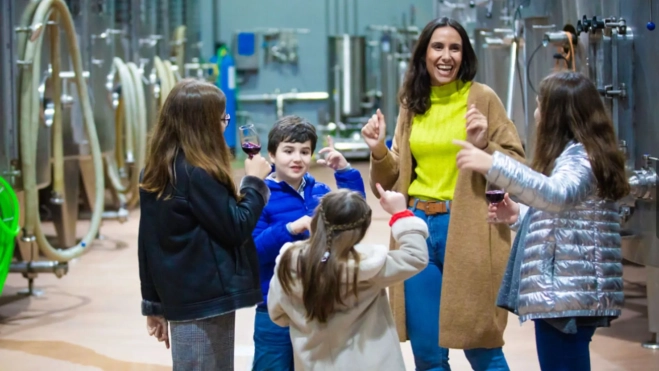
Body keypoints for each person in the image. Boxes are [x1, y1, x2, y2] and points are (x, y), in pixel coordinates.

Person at [362, 17, 525, 370]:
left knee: (480, 345)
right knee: (427, 352)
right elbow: (394, 176)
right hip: (416, 228)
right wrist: (377, 149)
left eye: (455, 48)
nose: (446, 55)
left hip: (468, 229)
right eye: (438, 47)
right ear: (424, 54)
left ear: (464, 55)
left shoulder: (482, 98)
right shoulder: (413, 103)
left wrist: (484, 147)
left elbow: (516, 164)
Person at [454, 71, 629, 371]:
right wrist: (517, 216)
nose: (536, 114)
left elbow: (556, 195)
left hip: (564, 295)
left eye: (540, 106)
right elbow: (562, 220)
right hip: (565, 293)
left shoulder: (580, 158)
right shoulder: (578, 156)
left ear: (556, 116)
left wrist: (494, 164)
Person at [138, 79, 272, 370]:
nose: (225, 125)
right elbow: (236, 226)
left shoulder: (156, 169)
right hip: (206, 299)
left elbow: (148, 242)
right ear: (203, 124)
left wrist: (154, 304)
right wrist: (254, 183)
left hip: (181, 296)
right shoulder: (198, 173)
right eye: (221, 118)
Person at [267, 187, 429, 370]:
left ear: (317, 219)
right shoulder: (369, 266)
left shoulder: (288, 263)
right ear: (361, 231)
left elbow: (277, 315)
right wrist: (401, 214)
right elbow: (416, 256)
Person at [251, 116, 365, 370]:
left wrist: (345, 172)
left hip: (320, 304)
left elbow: (355, 221)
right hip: (274, 308)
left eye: (305, 151)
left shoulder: (321, 192)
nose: (297, 158)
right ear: (271, 154)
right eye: (288, 151)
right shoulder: (258, 196)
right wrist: (290, 228)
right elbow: (252, 252)